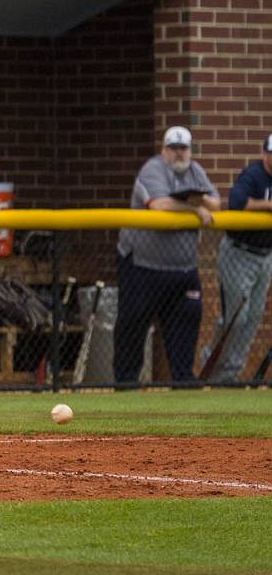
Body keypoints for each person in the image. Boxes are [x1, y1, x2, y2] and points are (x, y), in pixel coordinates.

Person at [115, 126, 219, 383]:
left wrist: (198, 202)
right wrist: (195, 208)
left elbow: (216, 202)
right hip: (142, 264)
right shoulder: (153, 169)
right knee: (134, 323)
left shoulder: (196, 171)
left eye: (183, 148)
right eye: (173, 148)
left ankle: (183, 381)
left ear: (190, 150)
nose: (178, 154)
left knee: (186, 321)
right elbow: (159, 205)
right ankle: (126, 383)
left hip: (182, 268)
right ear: (164, 149)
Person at [209, 135, 272, 381]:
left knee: (253, 317)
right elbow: (236, 202)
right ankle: (211, 369)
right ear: (265, 154)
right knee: (236, 316)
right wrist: (268, 205)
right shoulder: (253, 175)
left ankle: (230, 376)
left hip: (266, 256)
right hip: (239, 252)